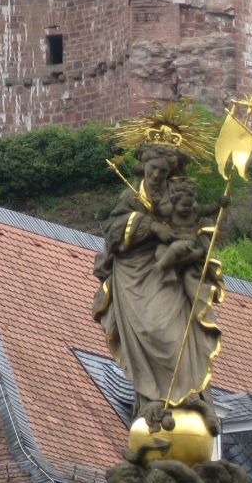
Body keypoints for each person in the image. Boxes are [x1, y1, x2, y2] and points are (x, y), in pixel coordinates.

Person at [92, 143, 221, 433]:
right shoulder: (130, 195)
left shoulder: (176, 195)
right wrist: (149, 226)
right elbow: (112, 233)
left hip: (170, 277)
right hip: (134, 275)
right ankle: (150, 399)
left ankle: (191, 396)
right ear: (144, 167)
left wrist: (197, 237)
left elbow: (198, 225)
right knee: (146, 332)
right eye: (153, 170)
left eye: (163, 171)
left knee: (177, 336)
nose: (157, 176)